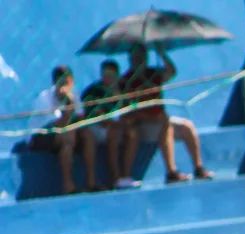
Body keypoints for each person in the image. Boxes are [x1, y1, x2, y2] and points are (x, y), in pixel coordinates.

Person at [118, 42, 214, 185]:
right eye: (135, 57)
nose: (138, 59)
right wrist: (148, 117)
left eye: (141, 56)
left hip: (159, 121)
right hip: (142, 125)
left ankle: (198, 167)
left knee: (187, 126)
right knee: (166, 123)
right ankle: (171, 171)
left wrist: (162, 54)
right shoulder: (125, 81)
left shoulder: (153, 73)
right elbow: (126, 112)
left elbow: (171, 72)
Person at [29, 66, 100, 194]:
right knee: (67, 136)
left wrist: (72, 103)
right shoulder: (44, 98)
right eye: (61, 82)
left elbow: (81, 121)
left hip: (67, 134)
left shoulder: (74, 97)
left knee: (87, 135)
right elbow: (57, 125)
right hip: (42, 135)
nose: (65, 87)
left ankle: (91, 182)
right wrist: (69, 110)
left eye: (68, 83)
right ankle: (68, 184)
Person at [80, 59, 128, 189]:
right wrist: (109, 122)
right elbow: (93, 115)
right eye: (105, 75)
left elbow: (131, 113)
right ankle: (93, 182)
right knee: (93, 135)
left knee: (130, 134)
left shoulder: (125, 90)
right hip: (96, 128)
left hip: (119, 129)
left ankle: (124, 176)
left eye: (111, 75)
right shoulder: (92, 91)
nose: (107, 78)